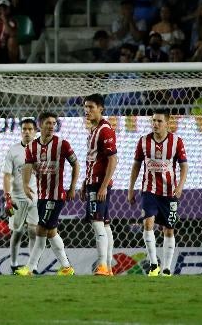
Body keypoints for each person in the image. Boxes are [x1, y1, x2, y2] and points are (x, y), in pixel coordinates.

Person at [16, 112, 79, 276]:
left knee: (41, 229)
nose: (52, 126)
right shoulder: (31, 147)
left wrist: (72, 187)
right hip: (42, 196)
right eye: (48, 123)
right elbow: (28, 166)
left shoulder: (62, 144)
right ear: (40, 126)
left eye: (54, 123)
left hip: (56, 196)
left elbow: (76, 164)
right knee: (51, 232)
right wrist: (24, 184)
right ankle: (66, 267)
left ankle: (29, 268)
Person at [128, 109, 188, 277]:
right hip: (149, 190)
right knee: (148, 223)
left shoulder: (177, 142)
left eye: (159, 121)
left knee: (169, 230)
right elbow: (136, 166)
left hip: (170, 192)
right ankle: (154, 265)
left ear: (167, 123)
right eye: (153, 120)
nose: (155, 123)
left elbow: (184, 166)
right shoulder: (143, 141)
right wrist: (131, 189)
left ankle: (167, 268)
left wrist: (180, 186)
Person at [82, 94, 118, 276]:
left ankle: (103, 264)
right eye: (85, 107)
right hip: (92, 183)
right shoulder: (93, 130)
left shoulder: (105, 130)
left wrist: (103, 186)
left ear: (101, 108)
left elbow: (113, 160)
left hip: (99, 185)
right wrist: (84, 182)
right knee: (104, 224)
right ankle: (109, 267)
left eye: (91, 107)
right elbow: (93, 160)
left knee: (97, 223)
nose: (87, 111)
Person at [2, 117, 39, 274]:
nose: (27, 132)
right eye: (24, 129)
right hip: (17, 198)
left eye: (30, 129)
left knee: (33, 231)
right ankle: (14, 263)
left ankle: (32, 266)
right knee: (17, 232)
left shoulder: (40, 149)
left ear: (35, 132)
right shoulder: (13, 150)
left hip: (35, 197)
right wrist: (7, 197)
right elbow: (7, 175)